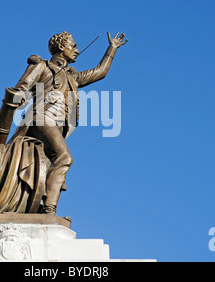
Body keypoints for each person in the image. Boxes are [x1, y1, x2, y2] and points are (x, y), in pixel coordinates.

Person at [11, 31, 128, 214]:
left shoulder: (72, 77)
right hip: (40, 119)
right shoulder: (42, 66)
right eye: (73, 46)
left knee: (47, 165)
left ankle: (39, 205)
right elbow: (23, 86)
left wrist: (111, 48)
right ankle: (50, 209)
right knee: (64, 157)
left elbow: (100, 72)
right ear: (60, 47)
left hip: (58, 127)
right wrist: (20, 96)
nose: (77, 50)